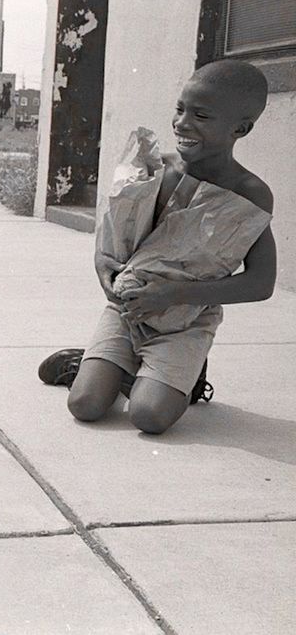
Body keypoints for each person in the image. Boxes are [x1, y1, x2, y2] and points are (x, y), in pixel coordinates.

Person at [43, 60, 275, 435]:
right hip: (127, 310)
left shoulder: (247, 193)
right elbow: (110, 239)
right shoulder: (152, 170)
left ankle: (184, 377)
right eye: (180, 109)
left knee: (148, 417)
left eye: (201, 115)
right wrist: (105, 268)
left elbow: (261, 283)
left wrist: (175, 293)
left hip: (184, 319)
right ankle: (90, 367)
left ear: (240, 128)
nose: (183, 123)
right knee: (84, 405)